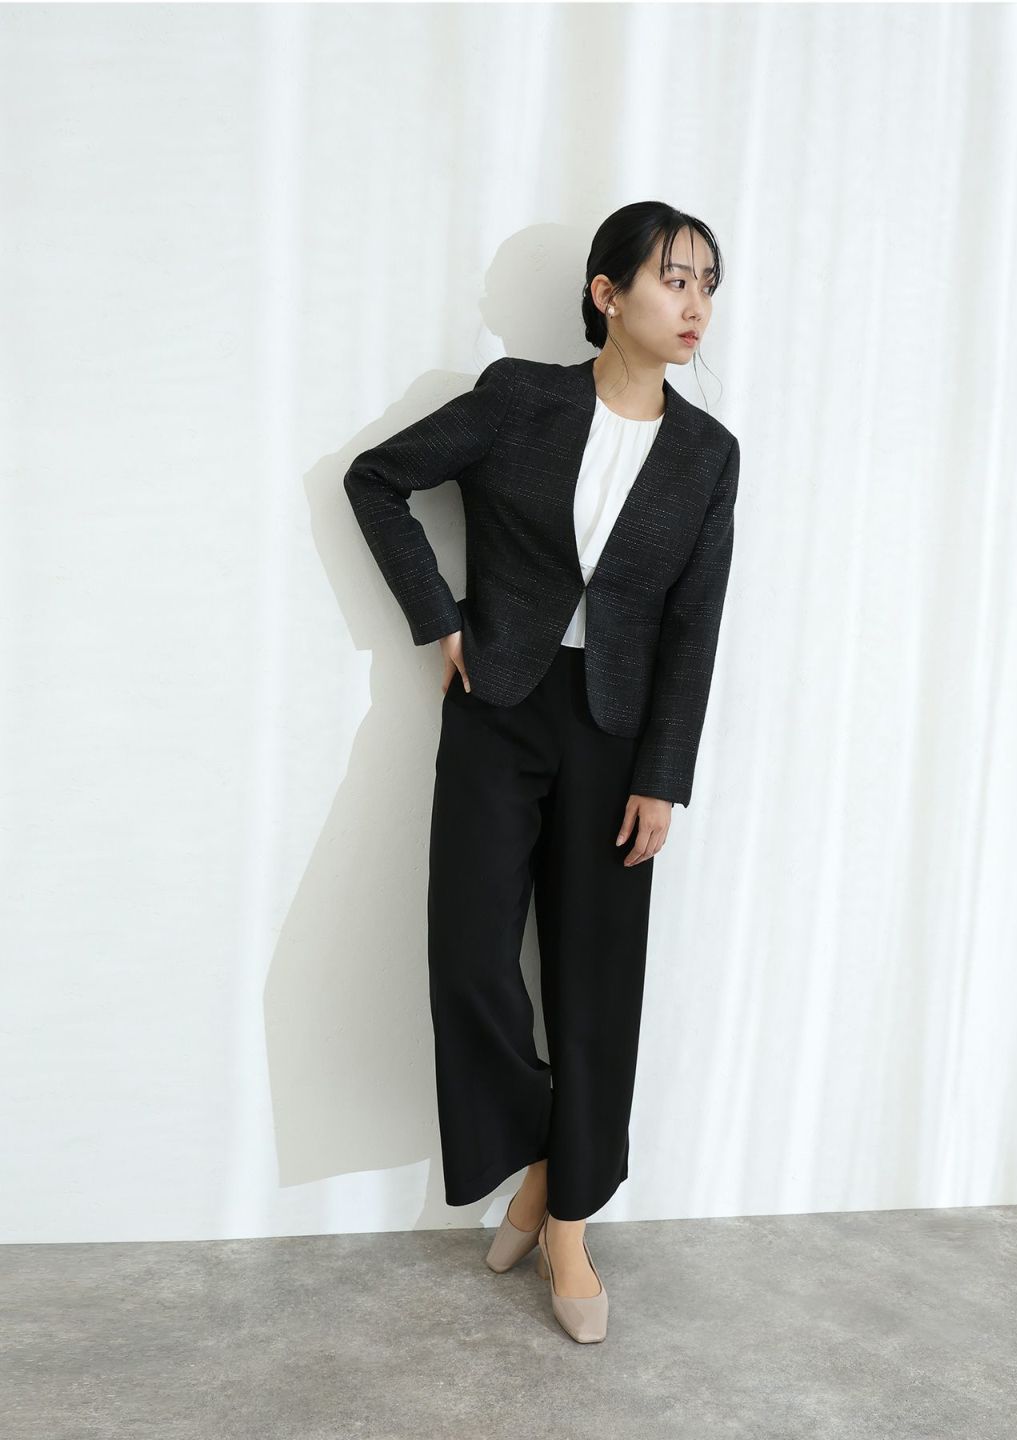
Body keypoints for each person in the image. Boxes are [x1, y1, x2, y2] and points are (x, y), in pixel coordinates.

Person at [343, 201, 740, 1343]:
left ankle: (566, 1220)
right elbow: (377, 480)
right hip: (501, 706)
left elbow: (694, 627)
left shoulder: (708, 454)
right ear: (607, 294)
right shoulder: (520, 398)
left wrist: (664, 774)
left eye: (708, 285)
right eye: (674, 280)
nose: (697, 306)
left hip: (618, 736)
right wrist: (440, 619)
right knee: (470, 956)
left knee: (596, 980)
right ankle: (547, 1159)